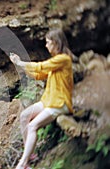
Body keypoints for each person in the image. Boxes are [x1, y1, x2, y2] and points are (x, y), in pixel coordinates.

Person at [9, 29, 74, 169]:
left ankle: (23, 163)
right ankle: (30, 153)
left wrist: (21, 63)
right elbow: (39, 74)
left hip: (59, 103)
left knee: (32, 126)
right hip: (48, 101)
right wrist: (18, 65)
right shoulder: (56, 61)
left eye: (48, 42)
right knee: (24, 116)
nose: (46, 45)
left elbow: (41, 66)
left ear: (56, 43)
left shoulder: (63, 59)